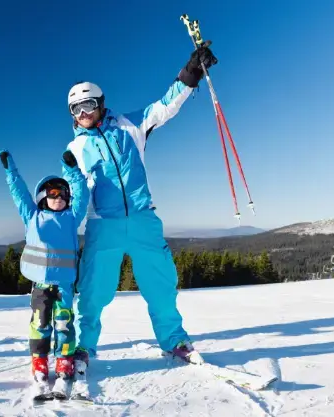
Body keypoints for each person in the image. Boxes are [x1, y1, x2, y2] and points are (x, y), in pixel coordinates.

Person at [64, 43, 218, 373]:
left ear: (101, 104)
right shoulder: (74, 148)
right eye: (75, 110)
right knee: (92, 290)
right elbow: (74, 192)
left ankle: (174, 340)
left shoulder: (130, 126)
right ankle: (82, 347)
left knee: (161, 284)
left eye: (88, 105)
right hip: (103, 225)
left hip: (143, 218)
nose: (83, 114)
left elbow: (165, 107)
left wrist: (190, 74)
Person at [0, 148, 89, 393]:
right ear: (43, 196)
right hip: (40, 285)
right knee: (40, 324)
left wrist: (72, 171)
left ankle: (64, 360)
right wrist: (11, 171)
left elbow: (82, 194)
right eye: (52, 193)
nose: (58, 197)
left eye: (62, 194)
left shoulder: (72, 217)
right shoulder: (32, 216)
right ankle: (39, 362)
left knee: (63, 323)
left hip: (64, 286)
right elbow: (19, 194)